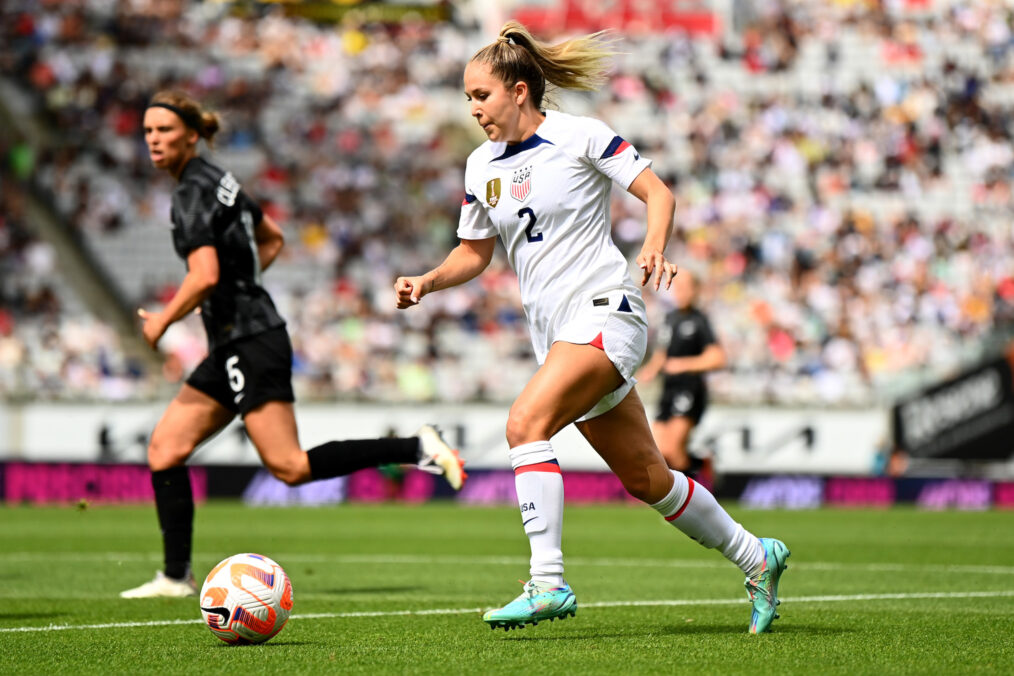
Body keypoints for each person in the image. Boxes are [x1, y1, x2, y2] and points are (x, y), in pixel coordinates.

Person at [395, 22, 789, 634]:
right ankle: (755, 556)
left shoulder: (580, 135)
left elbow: (657, 193)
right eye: (468, 98)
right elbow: (474, 253)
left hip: (609, 312)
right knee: (649, 479)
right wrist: (428, 281)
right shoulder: (480, 167)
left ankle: (547, 583)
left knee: (525, 424)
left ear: (519, 91)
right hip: (560, 336)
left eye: (480, 96)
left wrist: (654, 247)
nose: (473, 109)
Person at [121, 91, 466, 599]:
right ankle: (175, 577)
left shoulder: (190, 192)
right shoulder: (220, 180)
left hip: (251, 339)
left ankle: (418, 446)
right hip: (234, 338)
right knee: (165, 448)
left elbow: (205, 272)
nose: (154, 139)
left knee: (290, 466)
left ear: (191, 135)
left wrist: (163, 322)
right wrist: (232, 291)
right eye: (148, 131)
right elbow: (272, 238)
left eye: (164, 131)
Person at [636, 271, 725, 476]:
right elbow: (662, 353)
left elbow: (718, 358)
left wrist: (682, 365)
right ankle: (701, 462)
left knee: (674, 451)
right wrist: (649, 372)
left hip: (689, 390)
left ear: (696, 291)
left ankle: (691, 501)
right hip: (668, 389)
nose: (681, 293)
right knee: (659, 452)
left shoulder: (700, 320)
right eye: (678, 288)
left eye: (686, 288)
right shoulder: (670, 318)